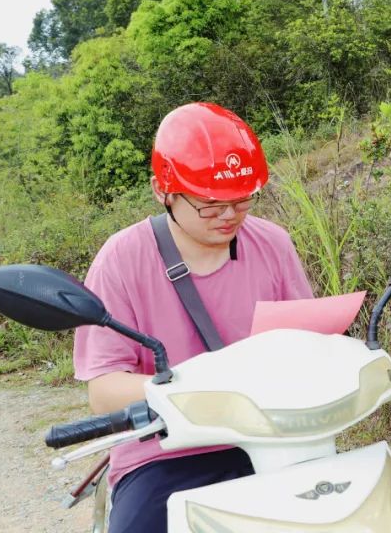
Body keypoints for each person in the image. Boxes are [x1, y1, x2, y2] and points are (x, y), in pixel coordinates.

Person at [73, 102, 314, 533]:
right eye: (208, 204)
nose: (228, 215)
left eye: (242, 200)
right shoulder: (121, 260)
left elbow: (305, 338)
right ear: (162, 191)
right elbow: (104, 391)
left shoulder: (272, 243)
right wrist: (196, 386)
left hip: (268, 436)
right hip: (166, 452)